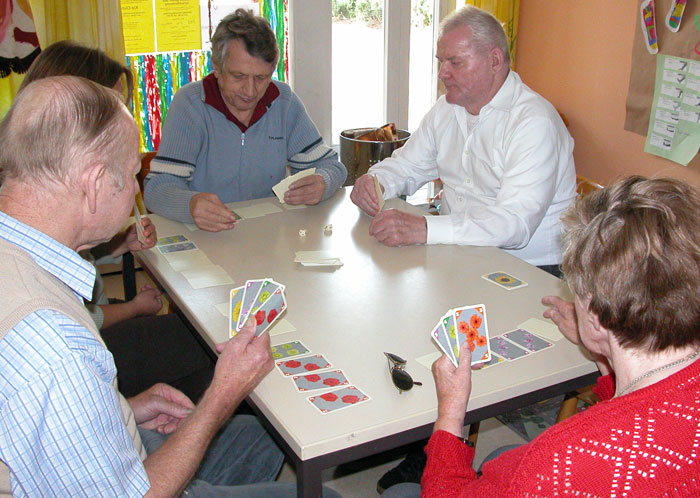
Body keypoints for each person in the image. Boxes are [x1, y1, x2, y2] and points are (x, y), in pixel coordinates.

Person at [0, 76, 343, 497]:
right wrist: (222, 394)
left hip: (109, 459)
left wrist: (122, 410)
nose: (134, 191)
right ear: (92, 184)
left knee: (265, 438)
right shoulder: (56, 350)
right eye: (129, 176)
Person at [382, 176, 700, 497]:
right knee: (499, 459)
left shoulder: (560, 460)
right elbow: (637, 416)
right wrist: (605, 349)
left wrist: (450, 415)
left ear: (597, 313)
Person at [18, 40, 215, 401]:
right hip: (89, 356)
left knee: (196, 344)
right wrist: (134, 308)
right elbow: (80, 320)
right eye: (113, 108)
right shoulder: (52, 342)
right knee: (207, 345)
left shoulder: (27, 191)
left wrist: (117, 243)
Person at [350, 5, 575, 275]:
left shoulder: (534, 122)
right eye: (440, 61)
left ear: (494, 61)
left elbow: (514, 224)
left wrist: (424, 228)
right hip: (461, 252)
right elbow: (408, 165)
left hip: (531, 269)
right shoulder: (446, 109)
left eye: (455, 62)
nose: (443, 73)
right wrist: (375, 181)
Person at [144, 8, 347, 232]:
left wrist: (323, 181)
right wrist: (190, 205)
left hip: (267, 237)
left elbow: (332, 166)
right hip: (206, 237)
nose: (250, 91)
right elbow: (157, 189)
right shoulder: (191, 104)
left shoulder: (283, 101)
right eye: (238, 76)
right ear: (217, 67)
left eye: (261, 78)